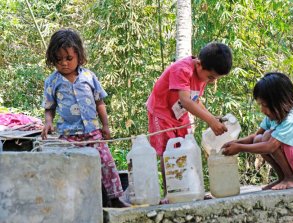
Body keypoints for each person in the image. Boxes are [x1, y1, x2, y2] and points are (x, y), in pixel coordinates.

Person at [41, 29, 129, 207]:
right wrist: (48, 122)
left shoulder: (89, 76)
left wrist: (106, 126)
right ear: (53, 59)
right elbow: (49, 107)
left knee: (107, 164)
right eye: (59, 60)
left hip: (93, 133)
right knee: (71, 169)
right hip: (68, 136)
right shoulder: (52, 81)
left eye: (68, 58)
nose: (64, 63)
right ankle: (75, 203)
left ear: (79, 56)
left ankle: (115, 199)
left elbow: (99, 103)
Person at [146, 42, 233, 200]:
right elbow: (186, 101)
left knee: (187, 147)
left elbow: (195, 99)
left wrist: (212, 118)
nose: (212, 81)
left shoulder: (203, 76)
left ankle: (191, 189)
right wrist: (211, 122)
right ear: (199, 64)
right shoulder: (182, 69)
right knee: (169, 152)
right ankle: (170, 193)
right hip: (162, 112)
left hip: (180, 114)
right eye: (211, 77)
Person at [222, 72, 293, 190]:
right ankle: (283, 178)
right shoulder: (274, 116)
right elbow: (255, 137)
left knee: (267, 138)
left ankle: (291, 178)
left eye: (265, 105)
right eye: (260, 105)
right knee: (259, 138)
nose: (262, 110)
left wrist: (240, 148)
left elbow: (270, 147)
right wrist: (235, 143)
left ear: (280, 102)